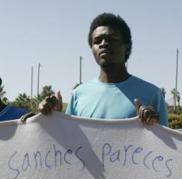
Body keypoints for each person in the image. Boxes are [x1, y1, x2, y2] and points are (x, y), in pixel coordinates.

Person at [39, 13, 167, 125]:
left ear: (127, 47)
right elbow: (68, 144)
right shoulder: (78, 95)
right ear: (92, 49)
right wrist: (52, 120)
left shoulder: (152, 95)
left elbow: (167, 149)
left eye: (112, 39)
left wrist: (154, 127)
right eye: (97, 41)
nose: (103, 44)